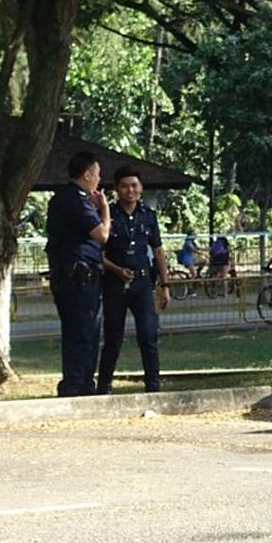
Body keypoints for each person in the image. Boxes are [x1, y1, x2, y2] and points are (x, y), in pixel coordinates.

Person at [97, 167, 170, 394]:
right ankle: (104, 386)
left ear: (141, 188)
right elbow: (98, 254)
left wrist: (165, 286)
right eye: (125, 186)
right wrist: (117, 270)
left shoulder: (148, 216)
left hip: (142, 284)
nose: (131, 190)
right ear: (117, 189)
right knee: (113, 338)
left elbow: (158, 251)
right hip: (115, 284)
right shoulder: (108, 216)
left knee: (148, 336)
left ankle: (153, 386)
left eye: (134, 185)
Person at [45, 151, 110, 397]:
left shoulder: (62, 198)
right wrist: (104, 209)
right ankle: (79, 385)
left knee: (78, 331)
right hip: (79, 277)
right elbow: (102, 235)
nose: (99, 179)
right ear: (87, 174)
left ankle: (79, 382)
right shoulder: (77, 200)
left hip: (68, 275)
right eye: (97, 173)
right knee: (85, 332)